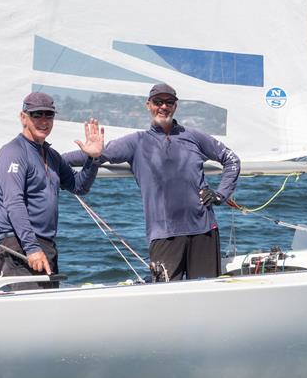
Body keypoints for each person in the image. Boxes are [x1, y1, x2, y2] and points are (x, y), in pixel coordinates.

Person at [66, 83, 240, 281]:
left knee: (205, 294)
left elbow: (232, 160)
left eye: (169, 102)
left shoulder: (194, 136)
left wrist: (220, 194)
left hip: (204, 231)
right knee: (165, 296)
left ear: (175, 106)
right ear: (148, 105)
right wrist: (52, 159)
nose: (163, 107)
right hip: (164, 235)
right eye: (158, 102)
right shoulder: (136, 142)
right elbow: (91, 153)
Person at [0, 92, 104, 288]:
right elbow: (14, 202)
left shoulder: (52, 155)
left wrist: (93, 159)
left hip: (45, 246)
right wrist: (31, 248)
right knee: (31, 306)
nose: (43, 121)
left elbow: (79, 186)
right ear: (23, 117)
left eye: (49, 115)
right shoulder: (13, 152)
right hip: (18, 245)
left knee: (47, 304)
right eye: (37, 115)